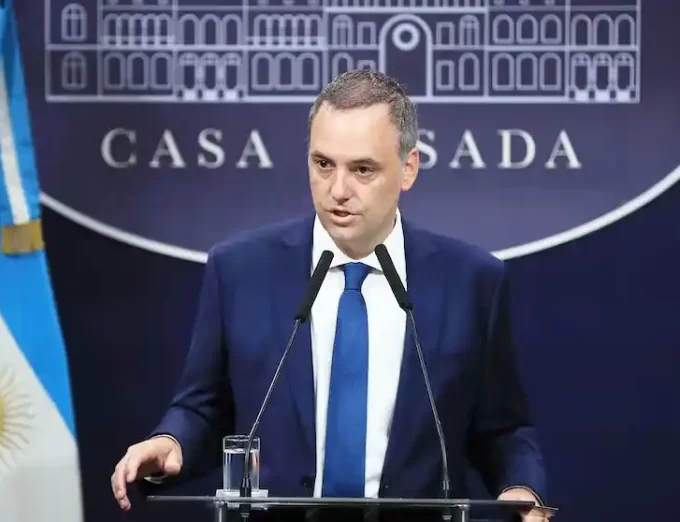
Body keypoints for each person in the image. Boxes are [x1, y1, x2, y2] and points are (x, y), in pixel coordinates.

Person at [111, 70, 550, 521]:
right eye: (323, 164)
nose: (338, 190)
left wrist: (521, 487)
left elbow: (503, 428)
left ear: (408, 168)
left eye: (362, 169)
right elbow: (204, 407)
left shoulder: (471, 281)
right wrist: (171, 442)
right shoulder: (240, 270)